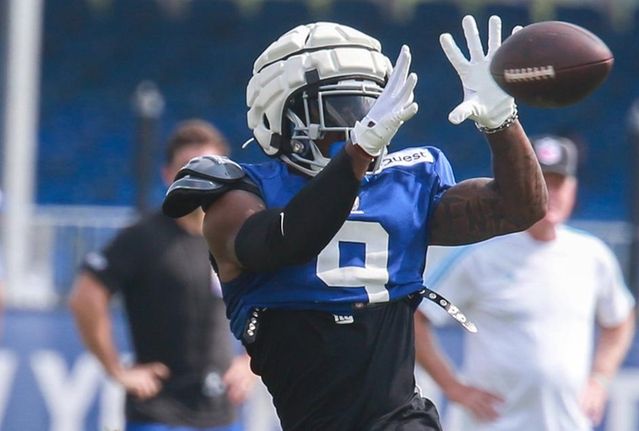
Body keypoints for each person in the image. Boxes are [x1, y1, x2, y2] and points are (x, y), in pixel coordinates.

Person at [162, 16, 547, 431]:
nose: (359, 122)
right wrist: (358, 152)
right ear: (280, 116)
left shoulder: (406, 182)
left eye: (369, 106)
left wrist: (501, 121)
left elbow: (518, 208)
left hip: (402, 420)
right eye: (339, 108)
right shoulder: (239, 195)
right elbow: (282, 242)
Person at [413, 135, 635, 431]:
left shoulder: (592, 255)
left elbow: (620, 319)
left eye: (559, 183)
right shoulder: (481, 253)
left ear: (574, 189)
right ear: (520, 187)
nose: (550, 193)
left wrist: (600, 378)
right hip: (493, 424)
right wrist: (454, 387)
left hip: (567, 423)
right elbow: (416, 315)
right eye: (541, 182)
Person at [69, 120, 256, 431]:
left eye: (211, 169)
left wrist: (250, 363)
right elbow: (85, 296)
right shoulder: (142, 237)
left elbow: (263, 300)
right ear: (168, 175)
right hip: (159, 414)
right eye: (188, 168)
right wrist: (117, 370)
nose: (201, 180)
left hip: (222, 414)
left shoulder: (231, 238)